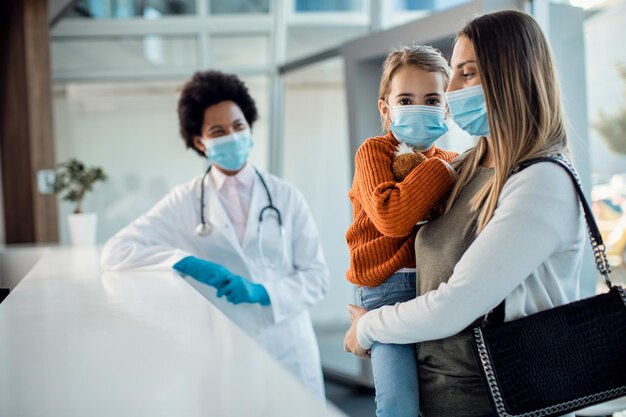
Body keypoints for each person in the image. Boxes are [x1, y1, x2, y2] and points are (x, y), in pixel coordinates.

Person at [344, 10, 585, 417]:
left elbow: (454, 305)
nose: (451, 88)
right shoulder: (463, 167)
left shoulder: (542, 182)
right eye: (454, 72)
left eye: (467, 74)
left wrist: (369, 327)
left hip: (504, 403)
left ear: (511, 78)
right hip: (440, 398)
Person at [101, 70, 330, 398]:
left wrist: (261, 292)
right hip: (228, 348)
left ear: (250, 128)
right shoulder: (185, 200)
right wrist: (185, 261)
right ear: (199, 141)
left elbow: (317, 277)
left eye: (238, 126)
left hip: (288, 345)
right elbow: (116, 250)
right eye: (217, 131)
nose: (232, 136)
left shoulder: (285, 197)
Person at [345, 45, 457, 417]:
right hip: (385, 291)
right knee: (398, 403)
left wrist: (447, 166)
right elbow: (390, 217)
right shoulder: (374, 153)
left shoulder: (454, 162)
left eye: (431, 98)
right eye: (405, 99)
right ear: (385, 108)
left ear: (446, 107)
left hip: (434, 289)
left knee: (443, 398)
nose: (418, 107)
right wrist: (440, 171)